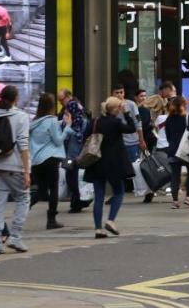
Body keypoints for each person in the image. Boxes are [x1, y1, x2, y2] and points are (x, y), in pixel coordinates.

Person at [0, 85, 31, 254]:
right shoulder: (21, 116)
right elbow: (23, 145)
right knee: (23, 198)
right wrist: (26, 171)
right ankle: (15, 237)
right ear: (16, 98)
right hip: (14, 166)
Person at [85, 97, 137, 239]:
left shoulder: (95, 122)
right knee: (119, 192)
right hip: (114, 164)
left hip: (96, 162)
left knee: (99, 196)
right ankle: (111, 220)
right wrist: (127, 114)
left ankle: (98, 229)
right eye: (120, 108)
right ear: (116, 109)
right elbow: (132, 128)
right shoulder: (116, 123)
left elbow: (85, 136)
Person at [28, 92, 71, 229]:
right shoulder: (52, 120)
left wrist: (61, 123)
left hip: (36, 161)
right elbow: (58, 141)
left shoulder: (34, 122)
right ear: (51, 106)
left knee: (41, 191)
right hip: (51, 159)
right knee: (53, 189)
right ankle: (51, 219)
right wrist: (68, 127)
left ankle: (23, 209)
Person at [162, 97, 189, 209]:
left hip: (173, 150)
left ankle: (175, 201)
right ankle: (188, 197)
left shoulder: (169, 119)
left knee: (175, 175)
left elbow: (168, 135)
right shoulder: (187, 117)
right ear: (183, 105)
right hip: (186, 151)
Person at [59, 89, 89, 213]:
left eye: (61, 99)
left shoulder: (71, 105)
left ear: (68, 96)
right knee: (72, 172)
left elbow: (69, 125)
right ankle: (76, 201)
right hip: (76, 144)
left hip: (72, 145)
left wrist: (65, 126)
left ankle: (77, 200)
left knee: (70, 172)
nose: (61, 103)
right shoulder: (78, 106)